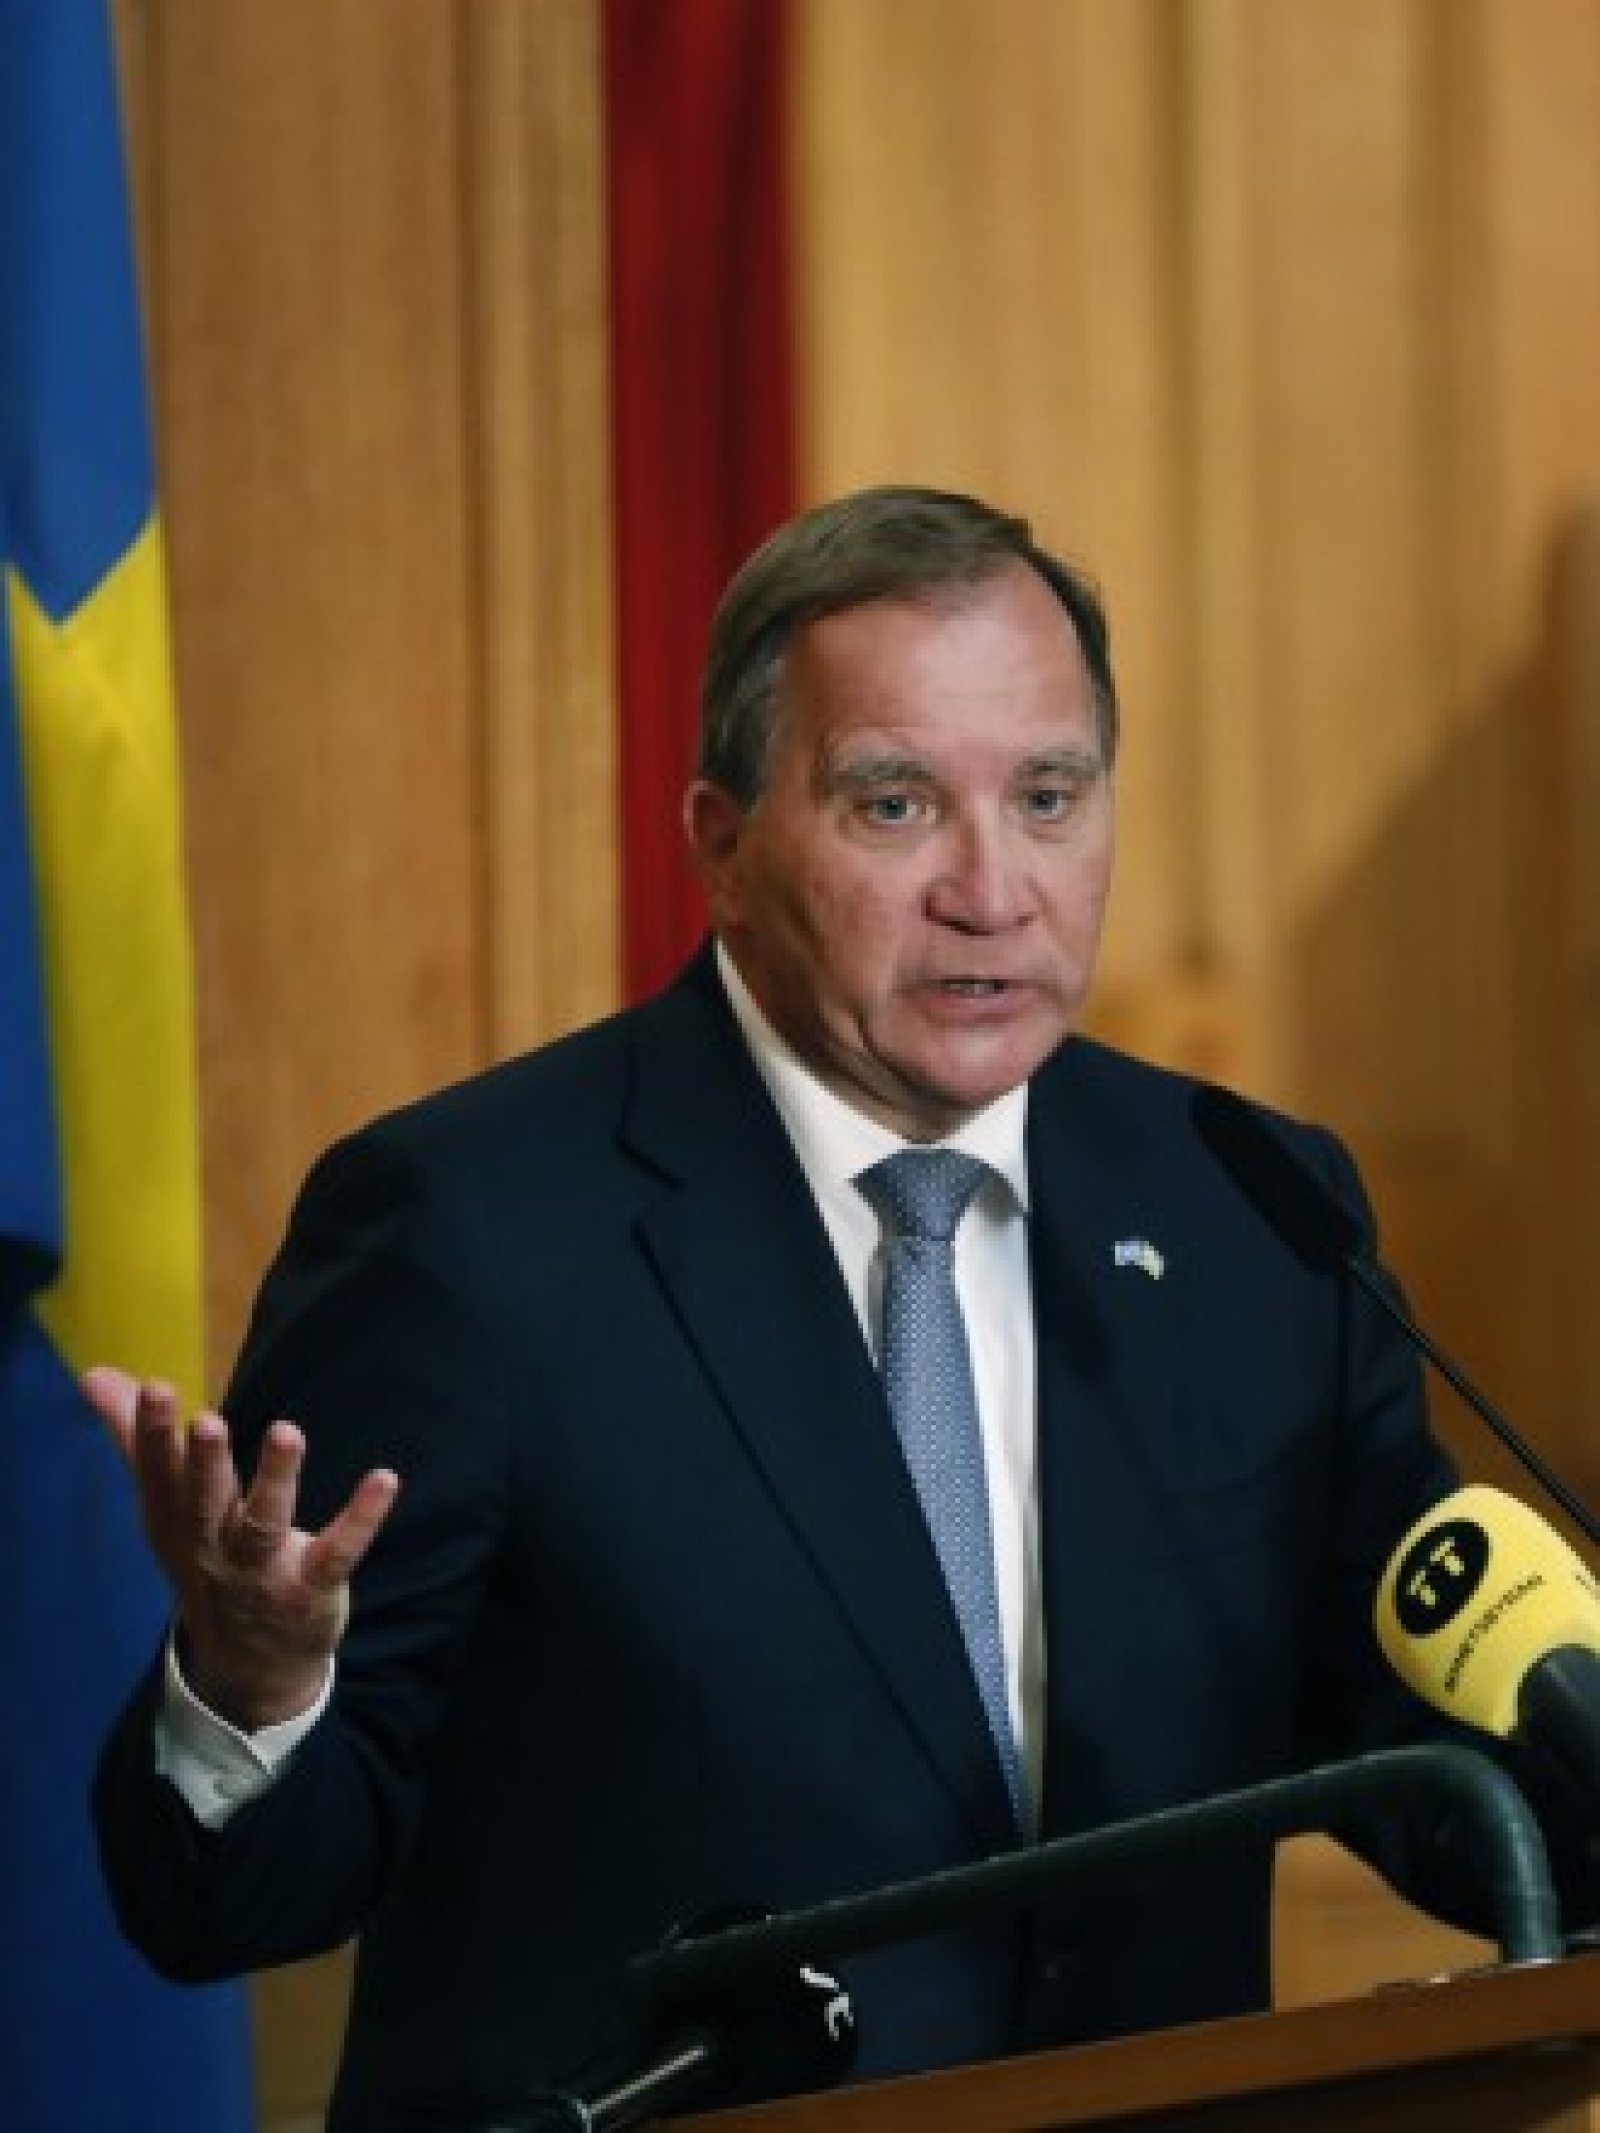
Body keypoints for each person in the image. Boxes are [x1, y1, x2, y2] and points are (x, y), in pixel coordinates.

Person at [88, 487, 1594, 2133]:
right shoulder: (469, 1233)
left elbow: (1438, 1752)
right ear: (723, 847)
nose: (992, 887)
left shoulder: (1245, 1209)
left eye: (1048, 796)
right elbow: (229, 1902)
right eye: (895, 803)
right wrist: (251, 1690)